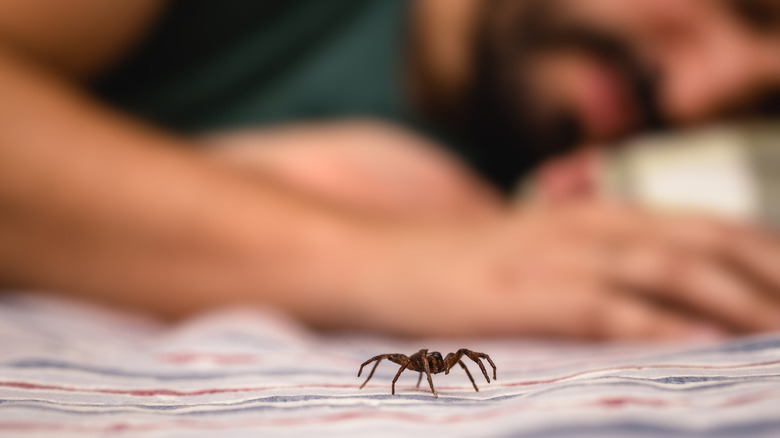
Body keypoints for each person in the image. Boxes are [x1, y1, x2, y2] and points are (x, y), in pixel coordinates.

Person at [1, 0, 780, 340]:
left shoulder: (527, 186)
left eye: (762, 106)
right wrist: (381, 258)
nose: (692, 97)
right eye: (744, 5)